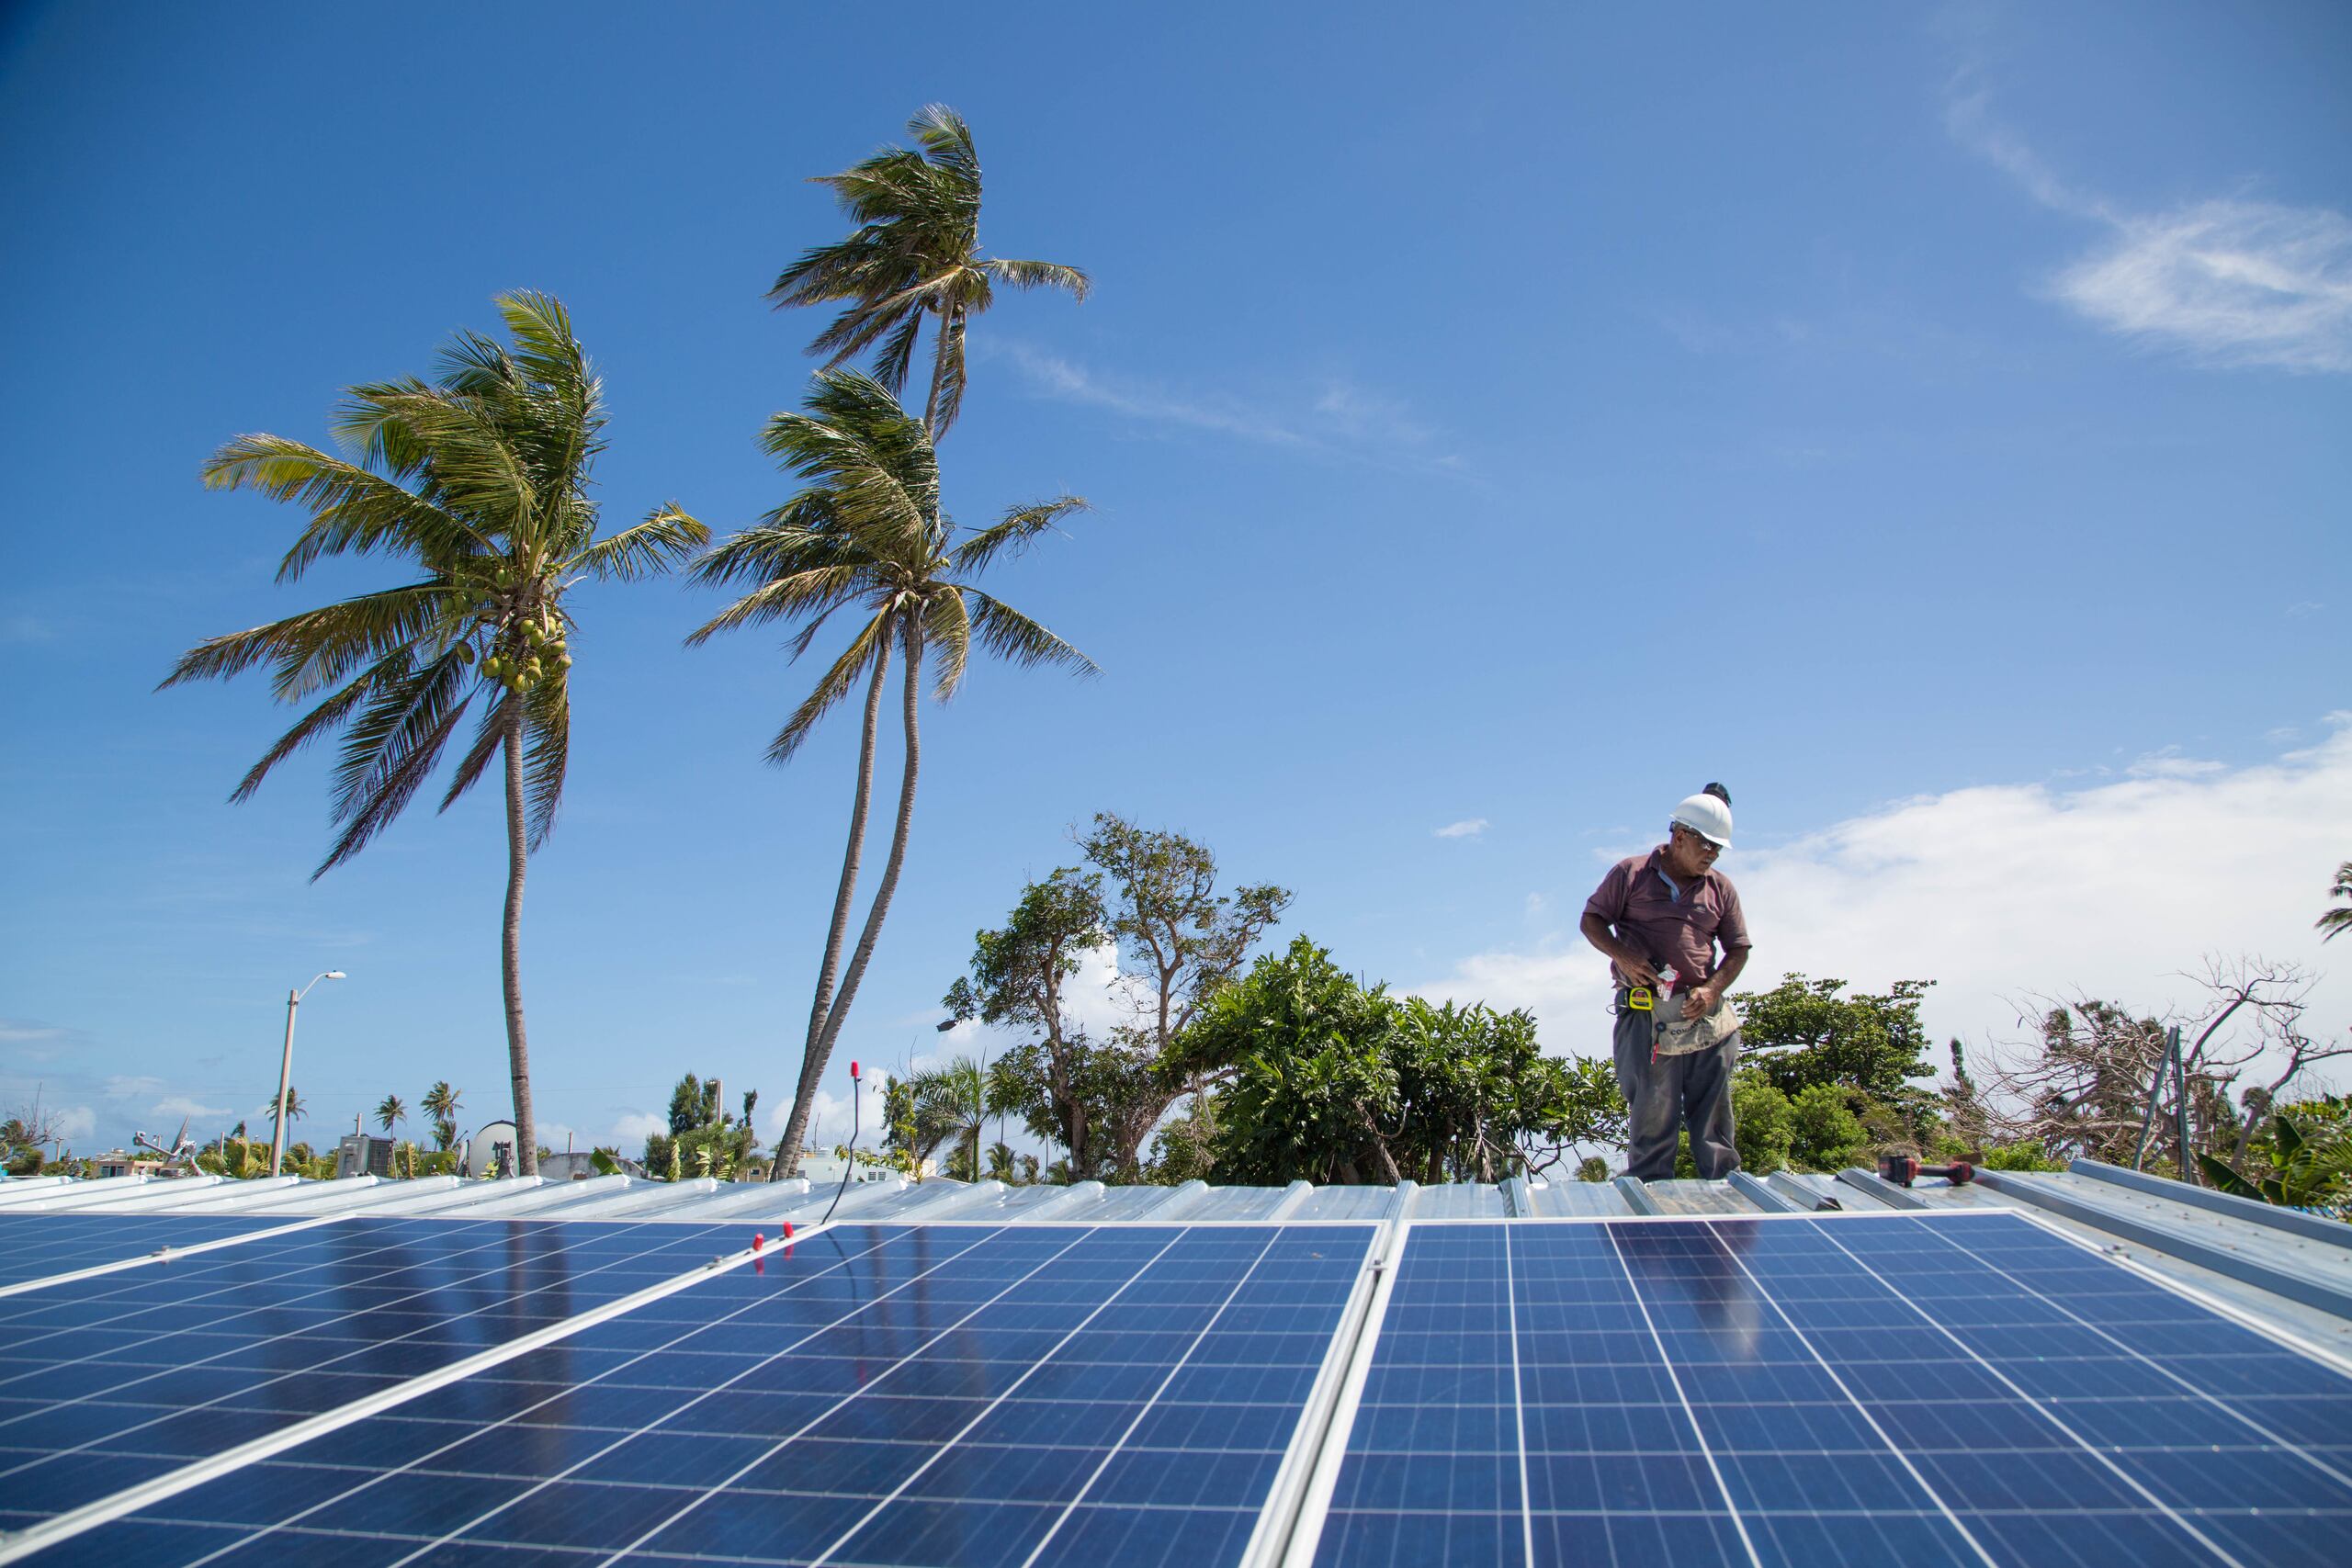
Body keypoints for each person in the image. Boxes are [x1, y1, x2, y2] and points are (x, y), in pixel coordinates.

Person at [1578, 784, 1751, 1180]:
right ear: (1679, 837)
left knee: (1714, 1121)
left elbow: (1738, 949)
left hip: (1703, 1017)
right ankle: (1652, 1204)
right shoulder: (1631, 873)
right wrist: (1623, 955)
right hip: (1646, 1015)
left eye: (1718, 849)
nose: (1712, 854)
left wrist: (1712, 989)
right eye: (1705, 844)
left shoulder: (1720, 888)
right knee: (1654, 1116)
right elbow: (1590, 921)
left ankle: (1724, 1196)